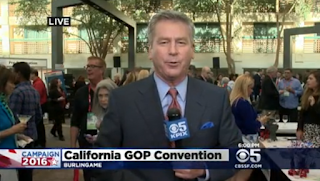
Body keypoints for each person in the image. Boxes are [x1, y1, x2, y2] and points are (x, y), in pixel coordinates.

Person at [96, 10, 242, 181]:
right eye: (164, 42)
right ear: (150, 50)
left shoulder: (216, 97)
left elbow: (235, 153)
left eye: (181, 42)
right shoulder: (123, 99)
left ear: (192, 50)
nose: (173, 51)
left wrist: (204, 168)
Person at [70, 56, 106, 181]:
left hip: (107, 143)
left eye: (93, 66)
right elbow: (75, 120)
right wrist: (72, 146)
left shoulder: (111, 91)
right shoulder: (81, 93)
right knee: (89, 176)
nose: (89, 69)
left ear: (102, 70)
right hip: (86, 143)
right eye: (88, 66)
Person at [229, 75, 269, 181]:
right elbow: (250, 127)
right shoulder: (243, 103)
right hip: (246, 141)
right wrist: (260, 122)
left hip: (238, 140)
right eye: (250, 88)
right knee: (244, 173)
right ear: (244, 87)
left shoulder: (234, 102)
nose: (252, 91)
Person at [9, 62, 42, 181]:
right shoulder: (34, 91)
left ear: (18, 74)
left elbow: (10, 118)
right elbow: (39, 116)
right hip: (32, 137)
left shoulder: (16, 92)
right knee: (27, 173)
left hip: (18, 139)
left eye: (13, 72)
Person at [297, 71, 320, 147]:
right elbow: (302, 114)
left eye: (311, 79)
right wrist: (299, 129)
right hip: (307, 129)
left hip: (317, 130)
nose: (307, 81)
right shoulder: (307, 94)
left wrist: (314, 105)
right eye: (308, 78)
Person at [30, 68, 47, 147]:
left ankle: (40, 142)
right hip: (41, 104)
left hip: (41, 104)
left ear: (34, 74)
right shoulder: (37, 82)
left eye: (30, 74)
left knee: (39, 124)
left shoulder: (38, 83)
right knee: (40, 124)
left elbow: (36, 95)